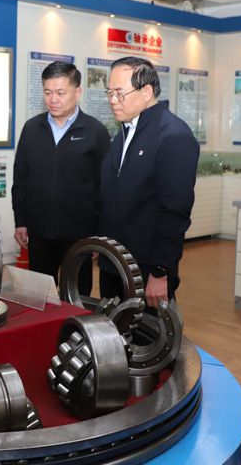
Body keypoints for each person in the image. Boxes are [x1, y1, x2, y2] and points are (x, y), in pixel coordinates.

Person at [97, 56, 199, 309]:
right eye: (109, 93)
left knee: (148, 332)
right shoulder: (125, 131)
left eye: (120, 93)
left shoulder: (173, 136)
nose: (113, 100)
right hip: (115, 261)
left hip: (147, 269)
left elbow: (175, 211)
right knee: (112, 331)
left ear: (146, 92)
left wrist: (160, 271)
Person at [12, 61, 110, 295]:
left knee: (76, 295)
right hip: (39, 230)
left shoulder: (95, 131)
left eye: (60, 93)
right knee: (40, 296)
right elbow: (21, 178)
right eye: (47, 92)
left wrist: (99, 232)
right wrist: (20, 221)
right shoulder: (31, 129)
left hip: (79, 233)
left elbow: (105, 187)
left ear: (78, 92)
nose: (53, 99)